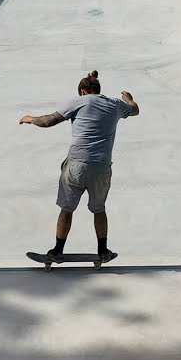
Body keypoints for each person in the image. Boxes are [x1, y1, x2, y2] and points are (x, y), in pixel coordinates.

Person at [19, 71, 139, 263]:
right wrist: (128, 98)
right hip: (101, 166)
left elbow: (49, 121)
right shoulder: (115, 104)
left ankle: (57, 251)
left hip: (77, 164)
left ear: (82, 91)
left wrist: (30, 118)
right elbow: (134, 109)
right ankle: (103, 251)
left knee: (67, 208)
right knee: (99, 209)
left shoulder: (78, 101)